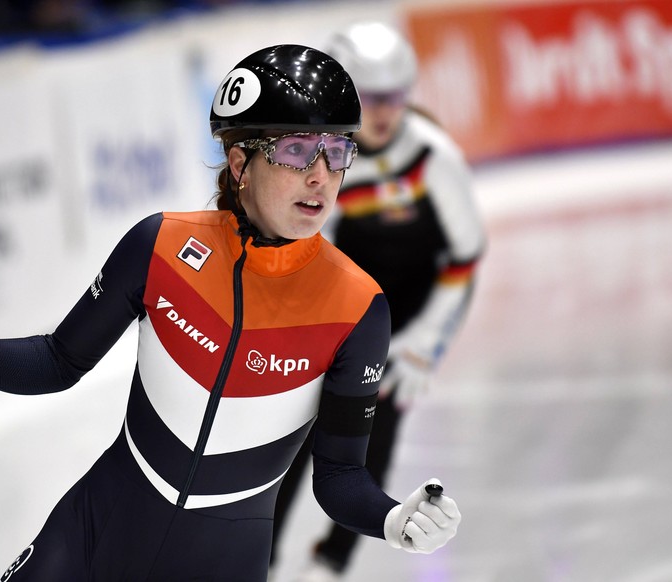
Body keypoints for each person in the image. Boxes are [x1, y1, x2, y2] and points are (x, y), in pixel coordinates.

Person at [0, 44, 461, 582]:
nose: (321, 175)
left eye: (337, 152)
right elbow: (59, 360)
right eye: (295, 149)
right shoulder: (159, 246)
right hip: (92, 539)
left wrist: (391, 520)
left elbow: (337, 478)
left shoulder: (358, 308)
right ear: (240, 162)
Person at [269, 23, 485, 581]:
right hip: (343, 314)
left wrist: (424, 345)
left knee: (373, 436)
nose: (383, 111)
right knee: (295, 439)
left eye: (394, 96)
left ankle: (331, 562)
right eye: (369, 97)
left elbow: (465, 257)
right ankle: (258, 558)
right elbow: (309, 251)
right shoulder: (319, 157)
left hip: (405, 325)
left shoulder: (435, 158)